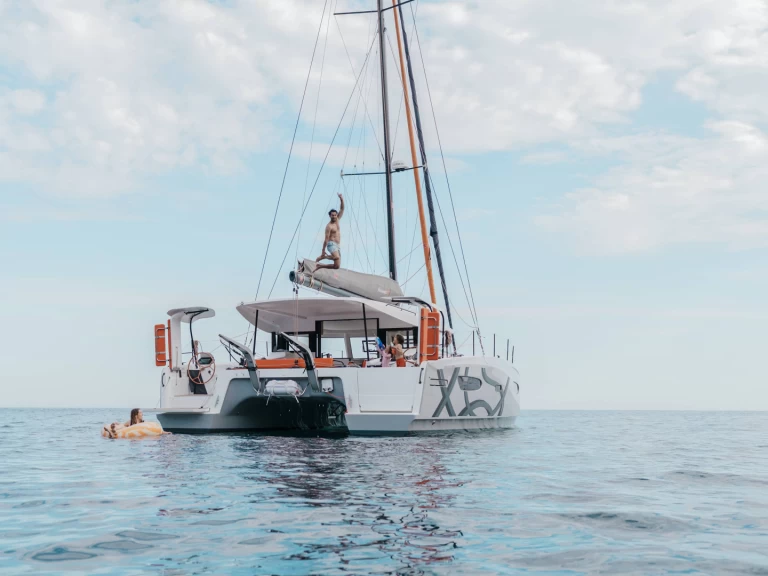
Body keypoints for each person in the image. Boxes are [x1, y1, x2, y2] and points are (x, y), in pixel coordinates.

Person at [315, 193, 345, 271]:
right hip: (331, 244)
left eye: (335, 215)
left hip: (337, 245)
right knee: (336, 257)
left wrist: (341, 199)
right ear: (330, 216)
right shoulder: (329, 226)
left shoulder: (337, 220)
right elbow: (326, 239)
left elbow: (342, 209)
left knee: (337, 266)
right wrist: (323, 250)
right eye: (332, 215)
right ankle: (324, 256)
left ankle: (320, 266)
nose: (334, 216)